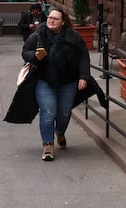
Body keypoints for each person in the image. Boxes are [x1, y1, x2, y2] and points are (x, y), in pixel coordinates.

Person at [22, 9, 90, 161]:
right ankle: (48, 145)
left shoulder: (74, 37)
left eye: (55, 18)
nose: (51, 20)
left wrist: (84, 76)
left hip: (68, 82)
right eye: (50, 17)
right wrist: (35, 56)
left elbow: (83, 57)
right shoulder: (38, 35)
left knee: (64, 114)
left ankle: (60, 131)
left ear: (63, 21)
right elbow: (25, 51)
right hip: (44, 81)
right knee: (48, 112)